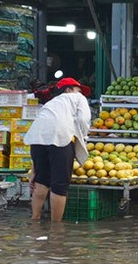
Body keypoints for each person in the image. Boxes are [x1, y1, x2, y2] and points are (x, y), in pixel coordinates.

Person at [25, 76, 93, 222]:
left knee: (41, 181)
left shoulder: (51, 103)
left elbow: (43, 133)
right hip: (60, 138)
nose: (81, 93)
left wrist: (34, 171)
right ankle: (56, 228)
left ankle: (34, 220)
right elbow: (83, 120)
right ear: (68, 90)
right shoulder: (77, 98)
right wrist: (83, 138)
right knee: (59, 185)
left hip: (36, 139)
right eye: (78, 90)